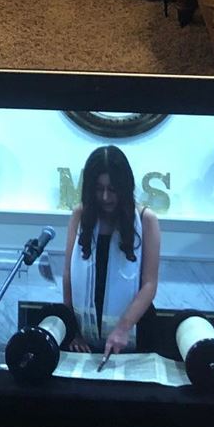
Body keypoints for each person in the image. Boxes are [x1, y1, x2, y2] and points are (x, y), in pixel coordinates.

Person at [63, 145, 161, 364]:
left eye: (113, 189)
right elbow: (68, 274)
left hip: (135, 330)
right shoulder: (80, 215)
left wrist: (123, 328)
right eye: (99, 189)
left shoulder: (146, 220)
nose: (106, 197)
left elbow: (150, 284)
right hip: (84, 333)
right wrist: (72, 330)